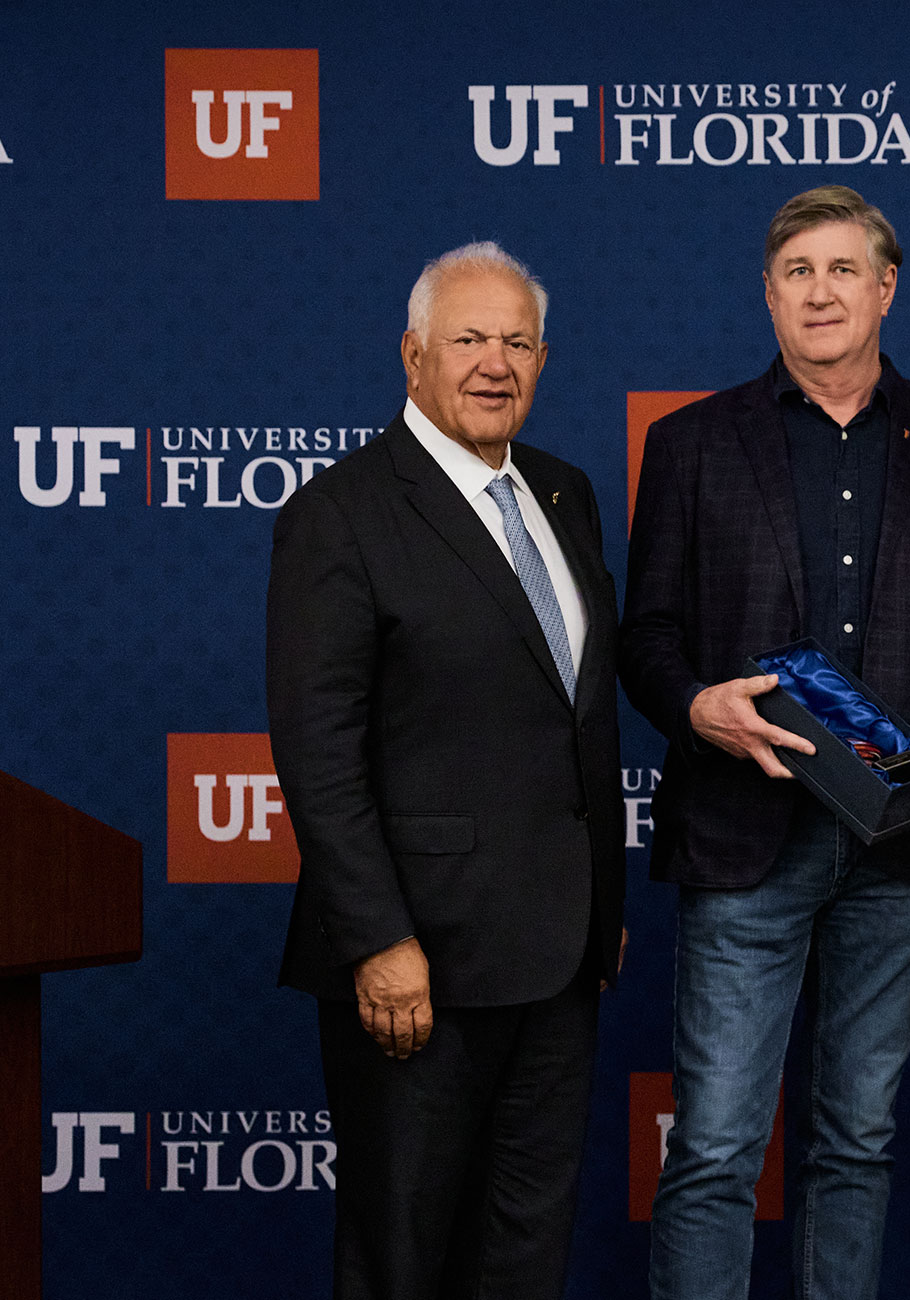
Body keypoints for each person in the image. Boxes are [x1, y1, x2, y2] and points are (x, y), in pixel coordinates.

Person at [620, 184, 910, 1300]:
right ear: (768, 293)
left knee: (854, 1143)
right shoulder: (689, 442)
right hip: (743, 836)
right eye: (798, 272)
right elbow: (646, 636)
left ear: (886, 288)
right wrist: (695, 705)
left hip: (898, 847)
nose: (820, 291)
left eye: (844, 269)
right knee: (713, 1149)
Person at [268, 241, 626, 1299]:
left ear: (544, 358)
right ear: (413, 355)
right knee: (402, 1257)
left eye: (517, 341)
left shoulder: (565, 493)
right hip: (416, 967)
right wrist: (378, 938)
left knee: (524, 1250)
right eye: (468, 339)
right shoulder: (340, 514)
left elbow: (576, 716)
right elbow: (317, 752)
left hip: (559, 960)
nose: (494, 362)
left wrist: (599, 894)